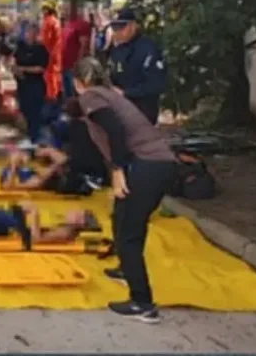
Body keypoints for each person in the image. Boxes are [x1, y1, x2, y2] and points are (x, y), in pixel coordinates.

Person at [72, 56, 177, 322]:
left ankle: (143, 303)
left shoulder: (92, 97)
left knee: (127, 233)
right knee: (123, 217)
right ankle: (126, 269)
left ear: (80, 82)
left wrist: (118, 173)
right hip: (157, 163)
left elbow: (116, 131)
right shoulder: (109, 94)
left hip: (148, 165)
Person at [107, 7, 167, 125]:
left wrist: (127, 93)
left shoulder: (148, 49)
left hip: (143, 111)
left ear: (132, 26)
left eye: (121, 27)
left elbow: (156, 85)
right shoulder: (117, 50)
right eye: (114, 28)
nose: (117, 31)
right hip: (121, 110)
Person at [13, 21, 48, 143]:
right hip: (22, 85)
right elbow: (15, 62)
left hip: (35, 85)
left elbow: (41, 68)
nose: (30, 34)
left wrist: (24, 69)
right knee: (24, 110)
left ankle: (35, 137)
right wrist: (16, 71)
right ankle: (26, 135)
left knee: (35, 113)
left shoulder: (40, 49)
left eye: (33, 32)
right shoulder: (20, 47)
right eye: (28, 32)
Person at [61, 1, 91, 99]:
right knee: (67, 94)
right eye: (63, 9)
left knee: (77, 93)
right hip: (63, 65)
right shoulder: (66, 24)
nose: (64, 12)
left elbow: (84, 45)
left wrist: (78, 64)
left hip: (74, 67)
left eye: (66, 9)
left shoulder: (82, 24)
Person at [40, 0, 63, 121]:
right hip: (56, 56)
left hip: (49, 56)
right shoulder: (56, 21)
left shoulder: (48, 22)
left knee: (50, 83)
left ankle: (50, 113)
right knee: (55, 81)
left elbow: (46, 40)